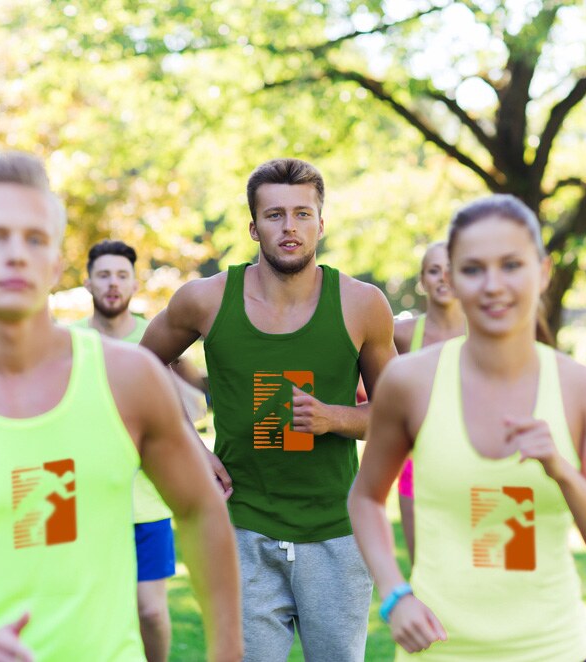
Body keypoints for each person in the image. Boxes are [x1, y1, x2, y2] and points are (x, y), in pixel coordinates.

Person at [0, 151, 242, 662]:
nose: (16, 254)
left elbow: (200, 511)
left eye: (35, 238)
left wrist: (227, 652)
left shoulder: (128, 380)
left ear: (56, 262)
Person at [348, 194, 586, 661]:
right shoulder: (410, 381)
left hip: (554, 650)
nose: (493, 285)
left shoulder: (584, 390)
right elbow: (365, 497)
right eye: (473, 269)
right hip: (440, 653)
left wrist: (562, 471)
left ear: (542, 272)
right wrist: (395, 594)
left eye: (511, 265)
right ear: (451, 280)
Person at [140, 158, 397, 662]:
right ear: (253, 226)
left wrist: (334, 418)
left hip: (336, 532)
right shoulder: (205, 301)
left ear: (321, 223)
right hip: (241, 526)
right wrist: (191, 446)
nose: (290, 228)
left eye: (303, 214)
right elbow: (140, 366)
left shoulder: (363, 305)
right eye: (275, 215)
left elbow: (399, 416)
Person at [76, 239, 192, 662]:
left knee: (150, 611)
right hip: (84, 500)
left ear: (134, 283)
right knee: (92, 609)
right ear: (88, 282)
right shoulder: (67, 344)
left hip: (148, 501)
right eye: (104, 275)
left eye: (122, 275)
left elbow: (192, 403)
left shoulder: (158, 338)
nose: (113, 284)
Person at [392, 240, 465, 563]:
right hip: (417, 467)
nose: (443, 279)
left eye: (452, 271)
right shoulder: (402, 334)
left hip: (475, 465)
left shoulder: (486, 334)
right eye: (434, 271)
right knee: (425, 571)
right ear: (422, 280)